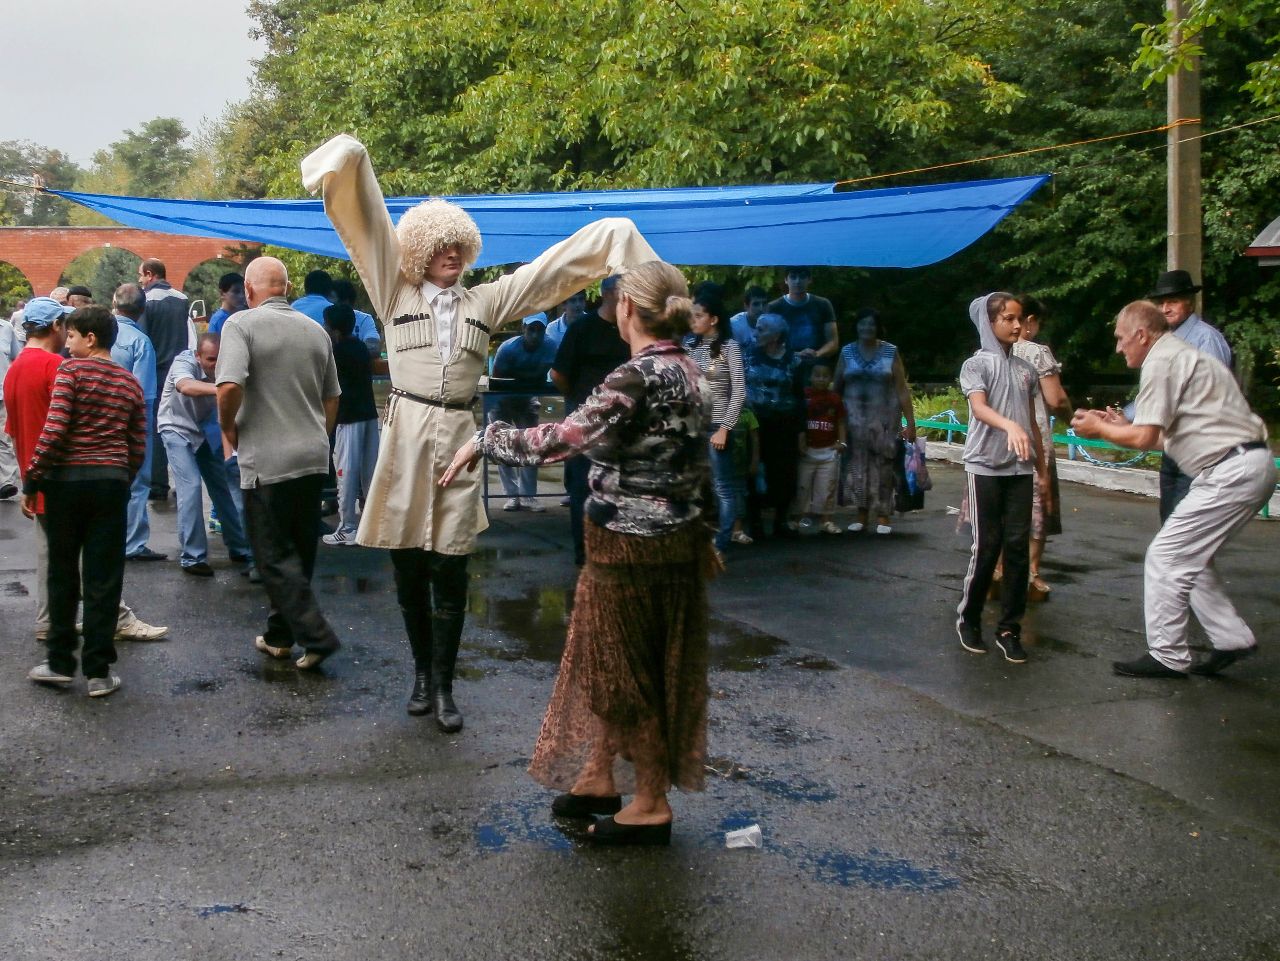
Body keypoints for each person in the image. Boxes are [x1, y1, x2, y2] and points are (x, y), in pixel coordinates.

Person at [301, 133, 658, 731]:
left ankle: (444, 687)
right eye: (438, 246)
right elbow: (368, 228)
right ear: (418, 249)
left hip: (462, 436)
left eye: (456, 247)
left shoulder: (486, 302)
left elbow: (551, 272)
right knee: (409, 563)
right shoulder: (394, 293)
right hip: (407, 433)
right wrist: (350, 160)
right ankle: (419, 675)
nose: (450, 255)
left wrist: (615, 238)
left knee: (452, 563)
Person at [441, 260, 711, 846]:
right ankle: (598, 774)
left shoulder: (636, 377)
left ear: (627, 309)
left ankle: (650, 802)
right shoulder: (692, 370)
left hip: (626, 546)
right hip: (674, 542)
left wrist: (486, 439)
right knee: (616, 657)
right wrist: (706, 533)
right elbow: (697, 464)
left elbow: (563, 438)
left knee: (620, 668)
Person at [1071, 300, 1274, 679]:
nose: (1118, 347)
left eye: (1120, 338)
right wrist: (1117, 425)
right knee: (1189, 556)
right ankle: (1231, 639)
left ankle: (1167, 655)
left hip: (1231, 470)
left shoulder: (1161, 361)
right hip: (1244, 464)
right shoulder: (1180, 355)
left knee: (1166, 555)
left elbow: (1145, 437)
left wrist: (1101, 430)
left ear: (1141, 335)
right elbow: (1168, 436)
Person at [4, 298, 167, 646]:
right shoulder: (58, 367)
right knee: (93, 563)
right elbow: (65, 424)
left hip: (37, 472)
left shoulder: (15, 367)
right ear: (55, 327)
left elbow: (13, 429)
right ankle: (114, 624)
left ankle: (50, 625)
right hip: (66, 475)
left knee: (54, 561)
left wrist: (29, 476)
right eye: (65, 326)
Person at [216, 257, 342, 671]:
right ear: (286, 289)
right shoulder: (316, 331)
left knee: (270, 555)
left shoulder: (241, 324)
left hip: (267, 458)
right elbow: (331, 397)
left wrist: (229, 427)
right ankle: (279, 636)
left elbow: (230, 385)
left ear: (249, 291)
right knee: (299, 550)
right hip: (311, 455)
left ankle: (316, 635)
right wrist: (318, 436)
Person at [21, 305, 147, 697]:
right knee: (103, 579)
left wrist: (33, 478)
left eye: (72, 336)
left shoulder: (70, 372)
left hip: (66, 485)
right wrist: (122, 477)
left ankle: (59, 662)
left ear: (90, 339)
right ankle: (98, 672)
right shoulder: (129, 382)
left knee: (62, 574)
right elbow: (137, 444)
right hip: (109, 485)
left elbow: (55, 429)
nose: (67, 343)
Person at [954, 292, 1048, 665]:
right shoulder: (976, 365)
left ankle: (1009, 628)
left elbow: (1033, 425)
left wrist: (1042, 472)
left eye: (1019, 318)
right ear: (990, 323)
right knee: (988, 545)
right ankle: (970, 619)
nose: (1016, 325)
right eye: (1007, 318)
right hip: (985, 467)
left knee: (1017, 548)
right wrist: (1008, 424)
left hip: (1021, 469)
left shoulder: (1026, 370)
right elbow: (979, 407)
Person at [158, 333, 255, 577]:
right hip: (175, 428)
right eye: (210, 359)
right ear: (198, 356)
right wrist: (222, 389)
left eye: (219, 359)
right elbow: (185, 386)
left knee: (223, 484)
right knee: (190, 486)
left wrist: (229, 454)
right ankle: (193, 557)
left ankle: (239, 547)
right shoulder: (184, 361)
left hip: (202, 429)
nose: (215, 364)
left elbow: (228, 415)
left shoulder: (227, 367)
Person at [550, 275, 630, 565]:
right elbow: (558, 374)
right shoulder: (582, 329)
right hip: (584, 423)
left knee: (618, 488)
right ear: (608, 294)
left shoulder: (629, 332)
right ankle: (584, 555)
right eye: (624, 292)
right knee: (583, 488)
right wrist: (580, 402)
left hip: (621, 425)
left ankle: (615, 551)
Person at [1143, 270, 1233, 521]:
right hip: (1172, 447)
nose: (1165, 308)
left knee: (1189, 527)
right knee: (1171, 523)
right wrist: (1125, 416)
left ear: (1190, 303)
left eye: (1173, 301)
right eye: (1160, 303)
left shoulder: (1206, 339)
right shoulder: (1163, 342)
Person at [833, 308, 916, 535]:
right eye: (862, 324)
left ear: (878, 327)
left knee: (884, 467)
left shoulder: (890, 351)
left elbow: (901, 388)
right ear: (857, 326)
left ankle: (883, 515)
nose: (866, 328)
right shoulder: (847, 352)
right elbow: (836, 387)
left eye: (871, 324)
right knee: (856, 467)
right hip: (853, 421)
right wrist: (831, 420)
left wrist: (910, 423)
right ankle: (861, 514)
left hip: (885, 420)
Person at [1012, 295, 1071, 598]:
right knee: (1038, 507)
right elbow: (1056, 399)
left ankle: (999, 569)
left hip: (1001, 442)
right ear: (1031, 321)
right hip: (1036, 443)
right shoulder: (1038, 353)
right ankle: (1032, 573)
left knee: (1005, 507)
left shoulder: (990, 350)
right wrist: (1071, 417)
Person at [684, 291, 744, 554]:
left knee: (723, 486)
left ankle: (721, 542)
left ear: (714, 319)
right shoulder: (689, 347)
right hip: (694, 428)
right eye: (692, 315)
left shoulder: (730, 347)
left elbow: (740, 391)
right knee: (695, 485)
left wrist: (725, 428)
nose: (693, 320)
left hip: (718, 425)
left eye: (699, 315)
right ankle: (699, 537)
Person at [110, 284, 167, 562]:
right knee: (137, 483)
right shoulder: (140, 342)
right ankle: (132, 543)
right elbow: (144, 395)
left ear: (114, 303)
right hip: (131, 422)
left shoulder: (99, 336)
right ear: (142, 309)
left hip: (100, 421)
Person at [321, 303, 382, 546]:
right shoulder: (360, 347)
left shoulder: (336, 353)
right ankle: (370, 527)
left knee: (345, 474)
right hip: (369, 416)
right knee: (369, 474)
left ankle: (347, 528)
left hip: (348, 419)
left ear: (334, 330)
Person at [743, 313, 803, 539]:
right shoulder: (747, 355)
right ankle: (755, 522)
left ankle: (781, 520)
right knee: (754, 470)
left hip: (783, 424)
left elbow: (799, 398)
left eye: (761, 329)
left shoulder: (793, 360)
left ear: (776, 335)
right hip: (755, 424)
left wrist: (801, 431)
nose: (755, 333)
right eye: (756, 328)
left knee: (784, 472)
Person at [491, 314, 557, 511]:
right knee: (503, 447)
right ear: (523, 328)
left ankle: (528, 496)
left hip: (528, 398)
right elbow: (498, 379)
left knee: (531, 446)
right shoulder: (508, 349)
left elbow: (551, 373)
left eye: (540, 330)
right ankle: (512, 495)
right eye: (531, 329)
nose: (535, 335)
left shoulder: (551, 346)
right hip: (502, 400)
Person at [138, 258, 190, 501]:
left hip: (155, 371)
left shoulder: (145, 301)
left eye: (141, 275)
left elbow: (143, 339)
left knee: (157, 429)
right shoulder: (182, 299)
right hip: (180, 370)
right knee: (181, 425)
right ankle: (185, 481)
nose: (140, 280)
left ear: (150, 274)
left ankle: (158, 485)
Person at [795, 363, 846, 534]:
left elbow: (840, 422)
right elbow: (798, 420)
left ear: (830, 379)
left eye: (825, 376)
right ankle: (797, 519)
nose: (821, 379)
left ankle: (827, 521)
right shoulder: (804, 396)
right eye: (817, 375)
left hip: (828, 451)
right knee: (802, 486)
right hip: (807, 450)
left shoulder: (835, 399)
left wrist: (842, 442)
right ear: (810, 377)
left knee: (827, 488)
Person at [767, 267, 838, 366]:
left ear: (810, 280)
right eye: (793, 277)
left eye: (802, 277)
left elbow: (833, 342)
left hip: (817, 368)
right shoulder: (774, 307)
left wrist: (817, 354)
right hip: (784, 366)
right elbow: (767, 343)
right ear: (786, 280)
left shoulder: (823, 304)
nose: (797, 281)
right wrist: (796, 355)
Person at [0, 303, 21, 499]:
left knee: (3, 438)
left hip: (1, 393)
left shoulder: (6, 328)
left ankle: (5, 482)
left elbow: (16, 356)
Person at [332, 278, 382, 355]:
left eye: (332, 298)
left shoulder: (363, 319)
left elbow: (374, 348)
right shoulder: (326, 317)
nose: (327, 302)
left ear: (345, 301)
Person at [728, 285, 768, 354]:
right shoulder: (735, 325)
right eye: (756, 304)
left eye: (764, 304)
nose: (761, 308)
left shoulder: (772, 324)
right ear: (746, 306)